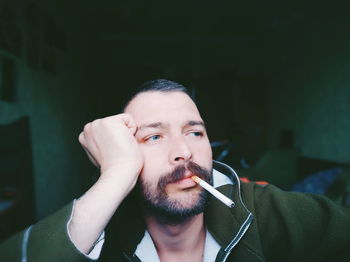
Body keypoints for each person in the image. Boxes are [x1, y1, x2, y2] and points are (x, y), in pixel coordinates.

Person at [1, 79, 350, 262]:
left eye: (194, 132)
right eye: (153, 136)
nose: (183, 152)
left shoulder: (267, 212)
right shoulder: (102, 239)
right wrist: (117, 174)